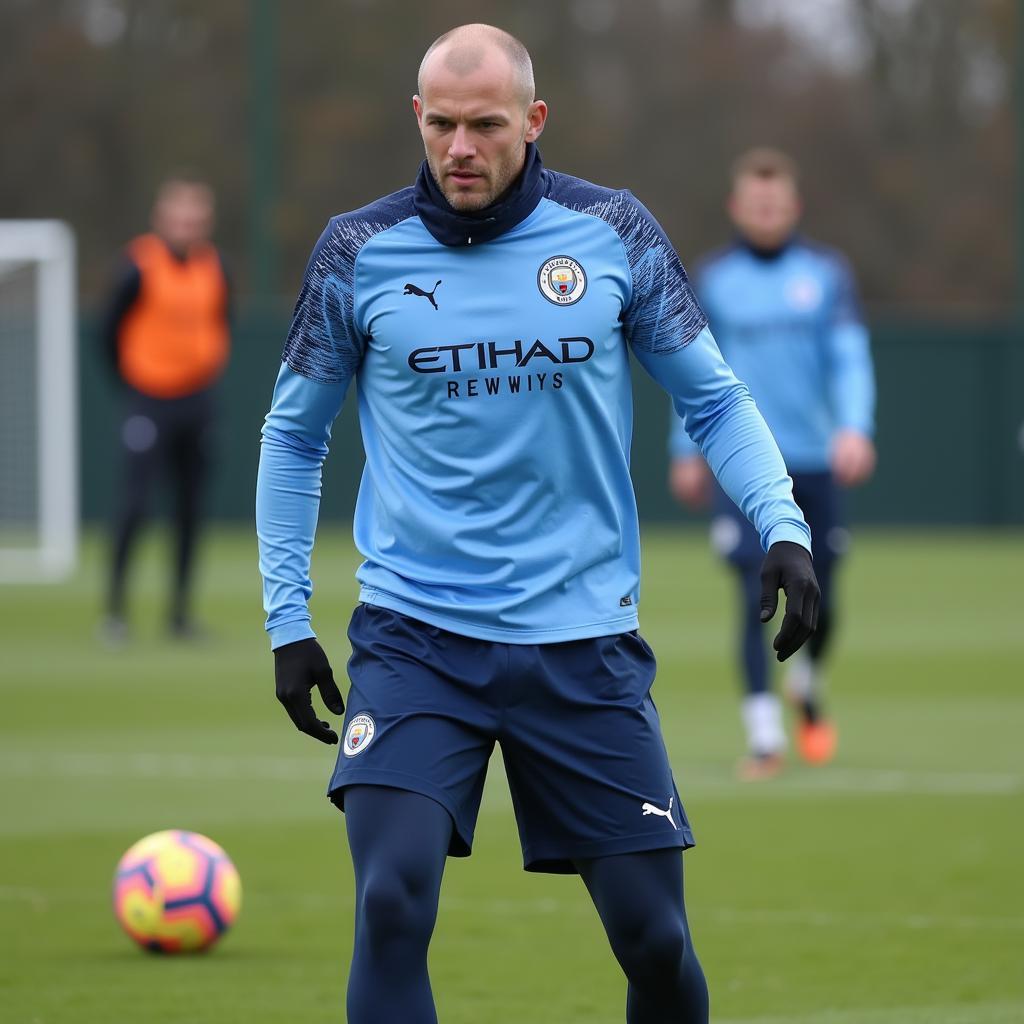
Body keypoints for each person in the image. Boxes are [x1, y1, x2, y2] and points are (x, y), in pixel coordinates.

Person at [256, 26, 819, 1023]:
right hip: (414, 640)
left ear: (534, 121)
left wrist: (782, 525)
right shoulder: (357, 251)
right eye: (441, 125)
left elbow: (715, 402)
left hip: (581, 642)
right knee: (390, 903)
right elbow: (293, 436)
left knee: (654, 938)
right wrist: (286, 621)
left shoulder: (613, 232)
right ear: (415, 120)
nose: (460, 147)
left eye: (485, 125)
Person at [668, 148, 876, 781]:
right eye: (755, 203)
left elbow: (849, 358)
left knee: (825, 588)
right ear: (738, 207)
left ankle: (805, 683)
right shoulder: (711, 278)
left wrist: (854, 428)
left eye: (776, 203)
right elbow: (688, 370)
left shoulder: (826, 274)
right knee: (751, 591)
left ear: (794, 208)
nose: (766, 212)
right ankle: (764, 737)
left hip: (815, 458)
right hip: (742, 465)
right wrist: (685, 450)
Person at [101, 176, 230, 642]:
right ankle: (114, 613)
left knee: (191, 509)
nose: (187, 226)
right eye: (179, 217)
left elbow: (221, 323)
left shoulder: (215, 266)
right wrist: (131, 385)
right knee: (134, 506)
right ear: (161, 219)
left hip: (197, 401)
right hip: (148, 398)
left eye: (195, 218)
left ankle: (179, 615)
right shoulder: (138, 265)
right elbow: (108, 330)